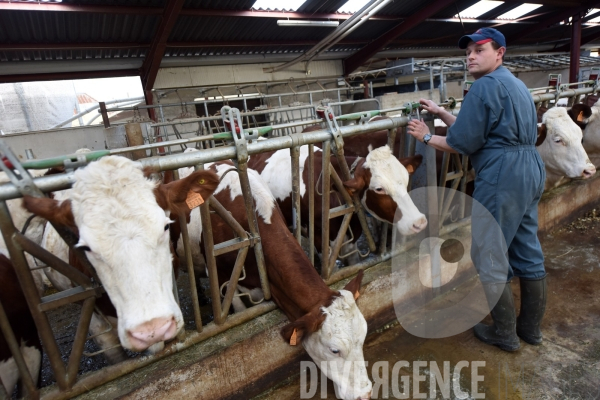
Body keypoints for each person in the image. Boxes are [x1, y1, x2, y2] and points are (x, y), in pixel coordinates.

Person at [406, 28, 547, 352]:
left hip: (502, 175)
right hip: (529, 168)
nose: (470, 55)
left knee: (488, 252)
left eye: (479, 49)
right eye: (467, 51)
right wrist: (442, 113)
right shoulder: (516, 84)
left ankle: (505, 334)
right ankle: (530, 330)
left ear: (500, 53)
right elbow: (483, 130)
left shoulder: (482, 87)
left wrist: (426, 136)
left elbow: (460, 144)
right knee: (526, 246)